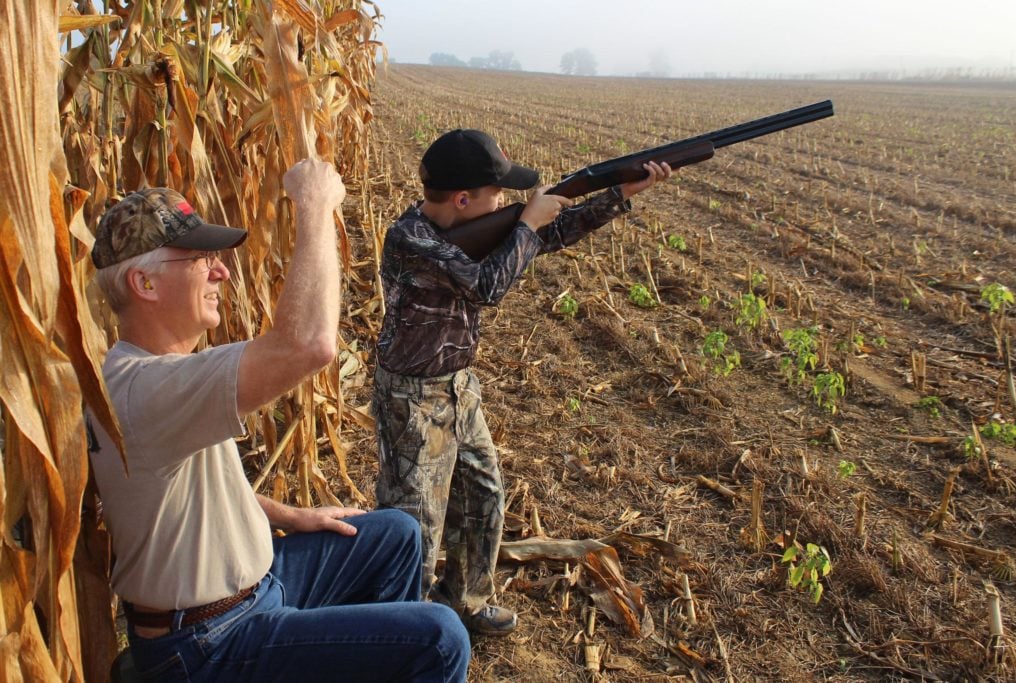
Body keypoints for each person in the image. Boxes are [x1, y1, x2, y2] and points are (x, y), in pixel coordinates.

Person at [87, 159, 470, 682]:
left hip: (256, 589)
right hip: (208, 644)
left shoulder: (153, 375)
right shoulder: (147, 388)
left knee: (397, 535)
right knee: (441, 639)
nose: (221, 270)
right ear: (144, 284)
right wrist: (314, 205)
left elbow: (175, 495)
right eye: (199, 259)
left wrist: (283, 514)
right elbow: (309, 344)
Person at [373, 129, 672, 636]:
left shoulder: (464, 225)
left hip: (458, 388)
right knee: (414, 528)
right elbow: (489, 286)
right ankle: (401, 634)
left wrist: (617, 197)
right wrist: (528, 223)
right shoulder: (412, 240)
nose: (507, 202)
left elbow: (541, 237)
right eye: (499, 194)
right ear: (464, 199)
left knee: (483, 494)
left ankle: (465, 601)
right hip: (413, 399)